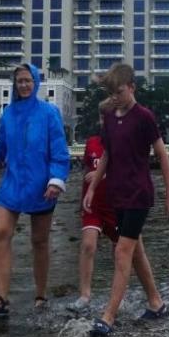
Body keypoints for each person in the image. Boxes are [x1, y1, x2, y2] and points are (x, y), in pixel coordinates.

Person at [83, 63, 169, 337]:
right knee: (135, 251)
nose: (115, 97)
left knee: (122, 252)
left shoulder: (144, 117)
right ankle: (156, 303)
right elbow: (107, 156)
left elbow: (162, 155)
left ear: (132, 88)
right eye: (112, 92)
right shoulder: (111, 117)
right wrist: (92, 189)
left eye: (120, 91)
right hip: (117, 193)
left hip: (139, 195)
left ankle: (108, 317)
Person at [0, 64, 70, 318]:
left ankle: (40, 296)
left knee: (39, 241)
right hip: (13, 183)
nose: (24, 85)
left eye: (28, 80)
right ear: (15, 85)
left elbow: (59, 152)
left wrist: (55, 180)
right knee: (0, 232)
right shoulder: (8, 114)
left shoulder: (49, 113)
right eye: (19, 81)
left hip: (42, 186)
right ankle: (1, 297)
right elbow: (0, 145)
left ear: (36, 82)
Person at [70, 99, 118, 312]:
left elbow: (129, 171)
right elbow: (86, 171)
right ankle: (85, 295)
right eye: (102, 116)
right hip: (92, 206)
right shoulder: (91, 143)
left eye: (109, 116)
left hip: (116, 206)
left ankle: (117, 294)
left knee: (119, 252)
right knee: (88, 245)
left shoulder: (121, 143)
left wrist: (103, 174)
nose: (104, 120)